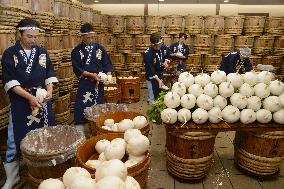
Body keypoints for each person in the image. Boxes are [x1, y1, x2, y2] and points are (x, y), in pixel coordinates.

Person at [1, 18, 58, 189]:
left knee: (46, 134)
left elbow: (49, 73)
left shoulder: (41, 52)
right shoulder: (10, 54)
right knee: (14, 138)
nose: (33, 40)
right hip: (20, 101)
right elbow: (10, 81)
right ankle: (13, 177)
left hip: (41, 99)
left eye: (35, 37)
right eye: (29, 36)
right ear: (19, 34)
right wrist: (28, 97)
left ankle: (45, 171)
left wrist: (50, 90)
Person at [71, 23, 113, 133]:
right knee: (83, 103)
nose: (91, 39)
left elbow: (107, 62)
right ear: (82, 37)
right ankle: (82, 127)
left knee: (98, 102)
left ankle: (96, 125)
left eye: (92, 37)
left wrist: (108, 74)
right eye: (88, 37)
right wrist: (90, 75)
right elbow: (77, 68)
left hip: (99, 83)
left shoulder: (99, 49)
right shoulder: (77, 51)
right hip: (86, 83)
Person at [144, 32, 169, 105]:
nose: (161, 45)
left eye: (161, 43)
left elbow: (168, 53)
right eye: (159, 44)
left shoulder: (162, 47)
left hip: (160, 74)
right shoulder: (148, 54)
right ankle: (152, 105)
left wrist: (166, 61)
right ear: (153, 44)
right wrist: (158, 80)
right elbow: (150, 70)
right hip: (152, 78)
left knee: (159, 94)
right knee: (153, 97)